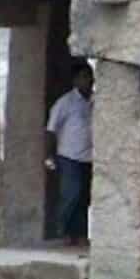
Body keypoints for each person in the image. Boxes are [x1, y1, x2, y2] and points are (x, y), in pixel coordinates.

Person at [44, 62, 95, 243]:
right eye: (82, 77)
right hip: (69, 156)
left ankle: (80, 234)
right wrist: (49, 155)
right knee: (71, 194)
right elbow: (51, 130)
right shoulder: (65, 102)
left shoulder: (96, 100)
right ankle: (62, 231)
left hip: (90, 157)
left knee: (84, 198)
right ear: (75, 80)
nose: (87, 80)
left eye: (89, 76)